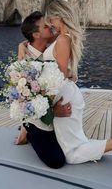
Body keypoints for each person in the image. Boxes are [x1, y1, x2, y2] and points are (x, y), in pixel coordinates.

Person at [19, 0, 112, 173]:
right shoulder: (60, 39)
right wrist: (22, 46)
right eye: (46, 23)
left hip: (64, 98)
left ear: (59, 17)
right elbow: (60, 70)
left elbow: (61, 75)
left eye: (51, 19)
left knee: (71, 154)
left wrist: (50, 106)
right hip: (64, 97)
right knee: (76, 145)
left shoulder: (62, 39)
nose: (49, 23)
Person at [15, 11, 72, 169]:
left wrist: (22, 43)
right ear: (36, 34)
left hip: (57, 116)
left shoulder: (52, 49)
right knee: (57, 161)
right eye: (45, 26)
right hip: (38, 121)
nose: (50, 26)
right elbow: (23, 100)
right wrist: (54, 112)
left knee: (71, 149)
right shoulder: (24, 63)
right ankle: (28, 132)